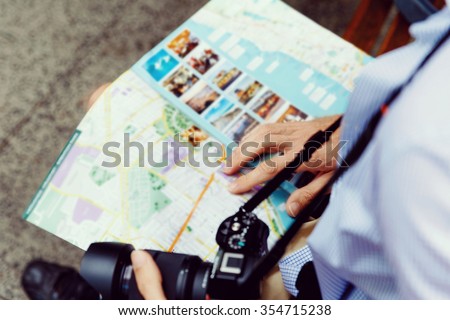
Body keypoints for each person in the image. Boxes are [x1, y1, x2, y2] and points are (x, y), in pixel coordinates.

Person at [22, 2, 450, 300]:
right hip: (348, 229)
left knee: (137, 268)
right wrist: (354, 133)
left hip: (331, 283)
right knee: (108, 102)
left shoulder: (423, 164)